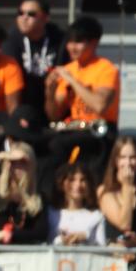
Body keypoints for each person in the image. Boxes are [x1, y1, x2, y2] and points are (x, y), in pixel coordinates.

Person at [44, 16, 118, 167]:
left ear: (94, 43)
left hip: (100, 130)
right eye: (70, 42)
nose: (72, 47)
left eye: (78, 42)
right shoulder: (69, 69)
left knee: (61, 145)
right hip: (75, 128)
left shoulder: (106, 69)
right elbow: (54, 115)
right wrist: (50, 92)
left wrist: (72, 81)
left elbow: (99, 106)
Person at [4, 0, 65, 113]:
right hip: (24, 101)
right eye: (20, 13)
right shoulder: (10, 39)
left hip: (52, 98)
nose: (24, 18)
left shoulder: (60, 39)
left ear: (45, 18)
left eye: (31, 14)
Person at [49, 157, 107, 245]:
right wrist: (61, 240)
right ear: (61, 183)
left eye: (83, 180)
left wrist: (85, 238)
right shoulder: (51, 213)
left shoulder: (96, 216)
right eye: (72, 180)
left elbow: (102, 248)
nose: (78, 185)